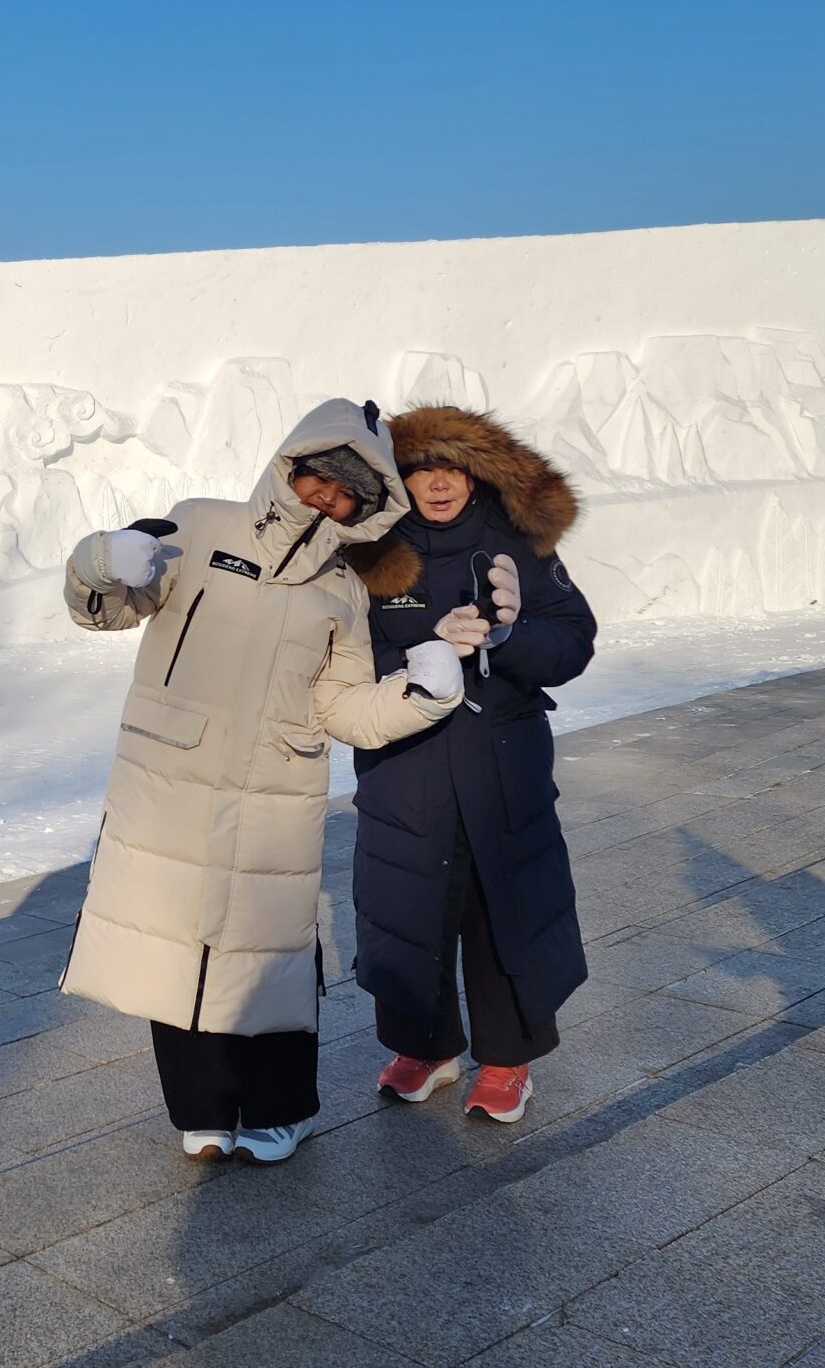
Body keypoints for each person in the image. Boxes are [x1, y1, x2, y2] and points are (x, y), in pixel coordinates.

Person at [60, 397, 466, 1165]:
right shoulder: (198, 525)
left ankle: (284, 1109)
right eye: (320, 478)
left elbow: (343, 705)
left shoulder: (342, 589)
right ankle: (202, 1108)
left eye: (347, 494)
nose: (326, 498)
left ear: (365, 509)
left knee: (270, 957)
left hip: (274, 790)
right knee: (174, 946)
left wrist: (421, 696)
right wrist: (98, 560)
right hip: (172, 778)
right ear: (292, 464)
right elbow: (103, 611)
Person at [344, 404, 596, 1123]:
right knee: (407, 904)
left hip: (502, 764)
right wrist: (423, 652)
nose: (439, 483)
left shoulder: (517, 543)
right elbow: (341, 653)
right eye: (422, 469)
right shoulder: (368, 550)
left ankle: (509, 1057)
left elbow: (573, 640)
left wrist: (513, 636)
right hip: (405, 761)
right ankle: (424, 1046)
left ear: (475, 473)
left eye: (452, 468)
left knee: (503, 907)